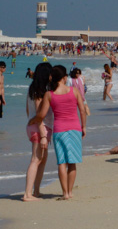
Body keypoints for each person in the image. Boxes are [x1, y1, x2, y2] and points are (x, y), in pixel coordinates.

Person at [29, 65, 86, 200]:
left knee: (61, 162)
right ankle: (70, 192)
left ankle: (64, 193)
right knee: (72, 162)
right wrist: (84, 127)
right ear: (64, 77)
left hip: (59, 130)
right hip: (75, 128)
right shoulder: (74, 91)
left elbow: (41, 115)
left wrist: (32, 120)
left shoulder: (49, 95)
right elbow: (82, 110)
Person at [23, 62, 53, 201]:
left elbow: (28, 110)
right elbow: (39, 115)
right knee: (36, 160)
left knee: (42, 159)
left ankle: (36, 191)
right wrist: (43, 135)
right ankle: (27, 194)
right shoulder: (39, 91)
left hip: (35, 126)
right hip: (39, 128)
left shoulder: (32, 88)